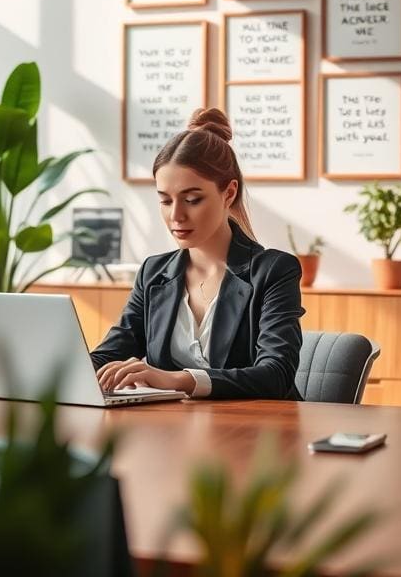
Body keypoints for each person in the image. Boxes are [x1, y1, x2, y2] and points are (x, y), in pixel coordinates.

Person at [92, 108, 304, 400]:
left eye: (192, 200)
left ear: (229, 193)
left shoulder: (273, 271)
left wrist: (178, 380)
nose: (176, 215)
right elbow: (109, 354)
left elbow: (276, 373)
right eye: (165, 201)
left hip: (256, 434)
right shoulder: (153, 273)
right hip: (173, 434)